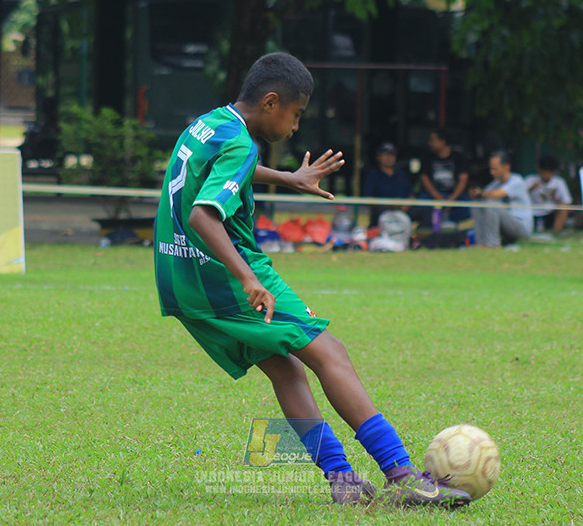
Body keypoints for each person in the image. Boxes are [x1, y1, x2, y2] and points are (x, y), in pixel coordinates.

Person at [153, 52, 469, 508]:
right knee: (330, 352)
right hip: (221, 273)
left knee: (287, 367)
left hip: (179, 273)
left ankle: (341, 480)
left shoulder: (209, 124)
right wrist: (246, 278)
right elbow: (205, 214)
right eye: (296, 114)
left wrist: (287, 178)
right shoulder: (244, 145)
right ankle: (401, 474)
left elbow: (219, 169)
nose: (296, 127)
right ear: (271, 102)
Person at [468, 151, 533, 248]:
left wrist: (481, 192)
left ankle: (493, 244)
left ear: (506, 167)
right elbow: (484, 195)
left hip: (521, 227)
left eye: (495, 169)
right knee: (477, 203)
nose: (492, 172)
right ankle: (481, 242)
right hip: (506, 226)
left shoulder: (517, 181)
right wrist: (475, 194)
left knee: (492, 204)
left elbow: (495, 194)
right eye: (491, 169)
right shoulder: (495, 183)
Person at [418, 128, 470, 227]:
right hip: (433, 195)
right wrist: (438, 198)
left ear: (442, 141)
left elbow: (463, 179)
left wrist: (452, 199)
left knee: (467, 205)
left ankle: (455, 227)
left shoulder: (458, 156)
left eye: (433, 140)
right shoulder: (427, 156)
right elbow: (425, 179)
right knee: (421, 202)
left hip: (454, 195)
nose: (430, 143)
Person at [362, 142, 412, 227]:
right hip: (381, 212)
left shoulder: (401, 175)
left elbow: (411, 194)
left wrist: (405, 206)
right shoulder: (373, 175)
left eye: (392, 155)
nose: (389, 158)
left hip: (402, 212)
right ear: (378, 157)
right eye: (385, 155)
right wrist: (388, 205)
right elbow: (368, 199)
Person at [525, 155, 573, 234]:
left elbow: (567, 202)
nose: (546, 175)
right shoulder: (530, 180)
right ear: (539, 170)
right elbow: (520, 197)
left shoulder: (559, 182)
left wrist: (553, 198)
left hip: (550, 212)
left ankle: (555, 232)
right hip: (532, 212)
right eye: (544, 172)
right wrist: (531, 189)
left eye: (549, 172)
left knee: (564, 207)